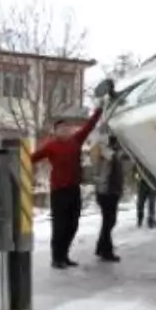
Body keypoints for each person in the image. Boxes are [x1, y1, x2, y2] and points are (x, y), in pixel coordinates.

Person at [32, 107, 102, 269]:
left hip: (73, 189)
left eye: (67, 128)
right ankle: (57, 258)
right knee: (59, 226)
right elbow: (33, 158)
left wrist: (99, 111)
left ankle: (65, 255)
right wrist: (15, 160)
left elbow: (89, 126)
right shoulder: (51, 146)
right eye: (61, 128)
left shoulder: (76, 141)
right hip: (59, 191)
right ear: (55, 131)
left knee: (73, 224)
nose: (65, 130)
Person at [93, 135, 125, 262]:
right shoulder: (110, 156)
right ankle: (106, 251)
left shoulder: (110, 155)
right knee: (109, 222)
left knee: (108, 222)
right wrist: (106, 190)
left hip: (108, 193)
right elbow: (105, 175)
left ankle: (102, 248)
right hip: (108, 194)